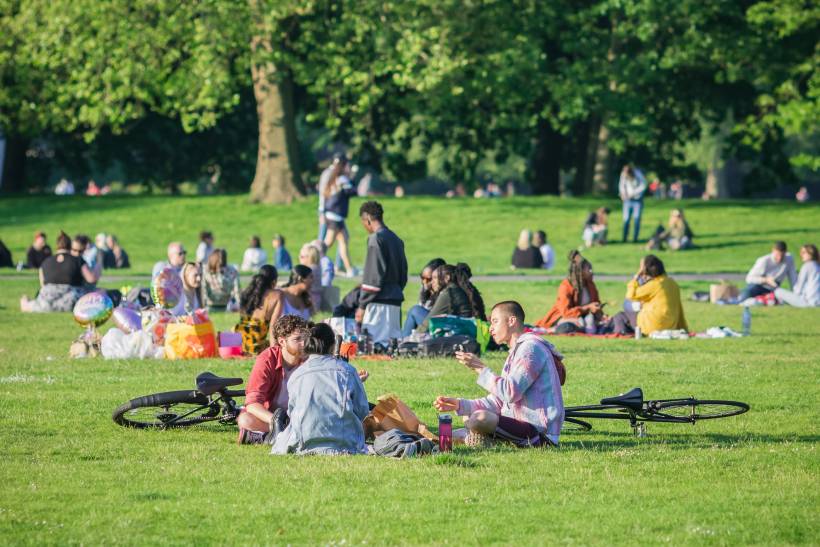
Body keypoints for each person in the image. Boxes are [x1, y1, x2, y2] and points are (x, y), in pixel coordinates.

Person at [434, 301, 565, 447]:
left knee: (479, 418)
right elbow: (499, 401)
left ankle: (481, 437)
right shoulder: (516, 351)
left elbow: (510, 392)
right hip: (517, 425)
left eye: (495, 322)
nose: (491, 329)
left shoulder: (530, 349)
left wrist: (480, 368)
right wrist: (459, 404)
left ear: (511, 321)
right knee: (467, 414)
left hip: (540, 434)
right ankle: (479, 437)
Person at [271, 323, 370, 455]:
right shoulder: (348, 371)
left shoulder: (297, 376)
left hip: (304, 443)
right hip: (345, 444)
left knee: (283, 437)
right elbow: (362, 411)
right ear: (333, 345)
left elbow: (292, 412)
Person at [236, 315, 310, 444]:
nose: (304, 343)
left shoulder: (311, 360)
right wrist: (276, 421)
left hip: (301, 416)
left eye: (305, 338)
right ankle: (286, 433)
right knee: (244, 420)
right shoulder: (267, 359)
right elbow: (252, 404)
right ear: (282, 341)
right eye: (297, 339)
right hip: (272, 416)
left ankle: (264, 437)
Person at [356, 201, 408, 345]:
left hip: (378, 301)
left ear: (367, 220)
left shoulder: (375, 239)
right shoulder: (396, 239)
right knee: (392, 346)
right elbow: (403, 274)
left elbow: (373, 276)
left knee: (376, 345)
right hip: (395, 298)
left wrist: (362, 305)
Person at [20, 231, 98, 312]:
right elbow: (91, 279)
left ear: (57, 246)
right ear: (70, 246)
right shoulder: (77, 260)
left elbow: (43, 284)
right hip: (71, 302)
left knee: (29, 303)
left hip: (47, 302)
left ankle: (25, 302)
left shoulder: (45, 262)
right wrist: (97, 267)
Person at [611, 255, 688, 335]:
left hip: (652, 326)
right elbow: (679, 309)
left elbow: (630, 295)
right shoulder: (673, 283)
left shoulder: (655, 284)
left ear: (645, 270)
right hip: (670, 326)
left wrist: (636, 276)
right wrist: (684, 328)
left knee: (620, 316)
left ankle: (621, 334)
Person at [535, 251, 602, 333]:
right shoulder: (565, 286)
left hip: (584, 317)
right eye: (589, 269)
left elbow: (596, 303)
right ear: (580, 271)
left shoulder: (590, 284)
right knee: (574, 325)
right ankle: (550, 330)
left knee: (592, 321)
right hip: (564, 318)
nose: (591, 272)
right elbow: (566, 312)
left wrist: (600, 313)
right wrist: (587, 308)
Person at [322, 159, 358, 277]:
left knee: (344, 240)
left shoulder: (335, 177)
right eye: (347, 166)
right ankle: (312, 260)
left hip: (334, 215)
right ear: (343, 166)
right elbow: (352, 191)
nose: (348, 167)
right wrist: (353, 176)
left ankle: (349, 269)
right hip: (335, 216)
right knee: (328, 243)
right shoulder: (342, 179)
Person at [234, 265, 280, 355]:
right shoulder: (276, 296)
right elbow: (273, 326)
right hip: (256, 347)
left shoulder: (248, 292)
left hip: (239, 344)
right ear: (274, 281)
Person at [419, 264, 474, 333]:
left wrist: (410, 339)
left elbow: (429, 321)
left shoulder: (449, 293)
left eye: (435, 278)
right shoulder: (455, 289)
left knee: (415, 310)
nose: (432, 282)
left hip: (457, 335)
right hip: (460, 331)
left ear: (447, 278)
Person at [401, 258, 446, 337]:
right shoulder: (425, 291)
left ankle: (403, 342)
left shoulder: (445, 292)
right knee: (414, 312)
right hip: (429, 327)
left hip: (442, 328)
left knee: (415, 310)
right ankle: (405, 342)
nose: (424, 282)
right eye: (422, 278)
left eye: (428, 279)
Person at [619, 164, 647, 242]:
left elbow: (643, 185)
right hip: (627, 200)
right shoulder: (623, 174)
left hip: (637, 200)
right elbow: (621, 185)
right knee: (626, 219)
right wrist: (623, 193)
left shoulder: (637, 173)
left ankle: (635, 238)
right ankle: (624, 238)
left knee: (636, 219)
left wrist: (633, 193)